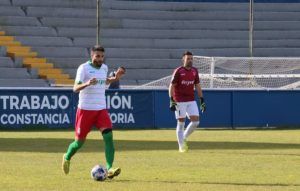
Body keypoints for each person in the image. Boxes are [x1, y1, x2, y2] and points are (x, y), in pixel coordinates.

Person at [62, 45, 125, 179]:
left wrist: (116, 78)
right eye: (97, 56)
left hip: (101, 109)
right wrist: (87, 83)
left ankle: (109, 169)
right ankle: (67, 156)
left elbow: (105, 82)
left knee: (108, 137)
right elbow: (75, 88)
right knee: (79, 143)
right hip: (85, 110)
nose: (100, 59)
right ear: (91, 56)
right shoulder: (83, 68)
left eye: (102, 56)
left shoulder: (104, 68)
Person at [168, 51, 206, 153]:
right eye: (188, 58)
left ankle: (184, 137)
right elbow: (171, 86)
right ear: (183, 59)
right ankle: (181, 147)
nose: (190, 60)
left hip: (191, 99)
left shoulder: (194, 71)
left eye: (191, 59)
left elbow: (197, 85)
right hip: (179, 100)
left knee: (196, 121)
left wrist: (202, 99)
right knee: (181, 123)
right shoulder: (178, 71)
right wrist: (171, 100)